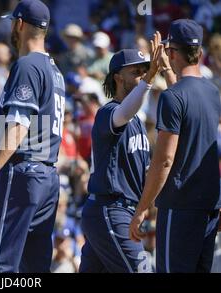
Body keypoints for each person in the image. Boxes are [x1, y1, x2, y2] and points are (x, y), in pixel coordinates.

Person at [0, 0, 65, 273]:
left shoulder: (27, 65)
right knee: (33, 270)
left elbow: (19, 122)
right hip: (47, 178)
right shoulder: (56, 71)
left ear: (19, 24)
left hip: (22, 173)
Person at [130, 19, 221, 273]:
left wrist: (142, 208)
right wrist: (168, 71)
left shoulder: (173, 97)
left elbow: (164, 160)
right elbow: (186, 103)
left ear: (171, 52)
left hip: (180, 209)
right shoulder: (213, 92)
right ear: (200, 53)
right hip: (209, 208)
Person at [79, 35, 161, 272]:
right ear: (117, 77)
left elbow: (146, 171)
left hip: (122, 212)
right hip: (110, 210)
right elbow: (123, 113)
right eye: (136, 71)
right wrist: (149, 80)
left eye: (145, 70)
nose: (143, 75)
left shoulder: (137, 121)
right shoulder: (108, 112)